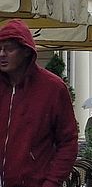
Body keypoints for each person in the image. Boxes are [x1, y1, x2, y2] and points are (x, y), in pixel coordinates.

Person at [0, 18, 78, 187]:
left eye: (9, 49)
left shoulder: (53, 88)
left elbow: (68, 142)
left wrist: (51, 182)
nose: (2, 54)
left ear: (26, 51)